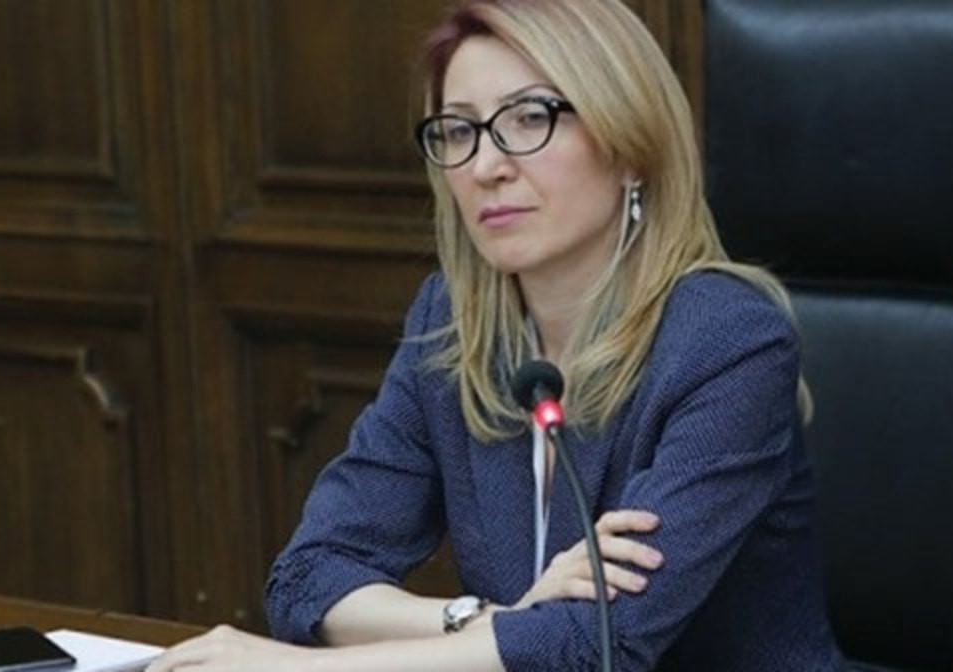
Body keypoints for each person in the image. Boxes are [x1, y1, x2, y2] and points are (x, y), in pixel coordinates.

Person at [148, 0, 846, 669]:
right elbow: (309, 577)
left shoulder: (727, 341)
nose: (485, 167)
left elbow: (599, 646)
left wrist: (294, 669)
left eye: (529, 117)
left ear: (632, 148)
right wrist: (485, 618)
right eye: (459, 131)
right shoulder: (453, 325)